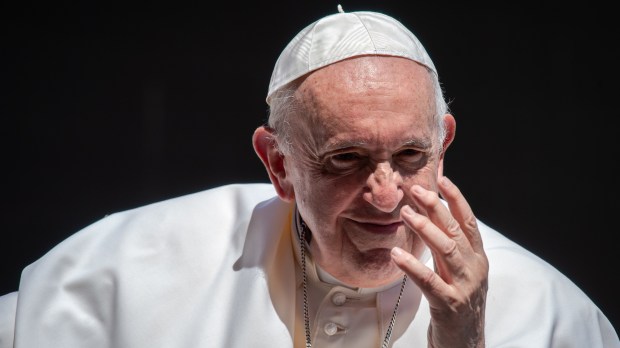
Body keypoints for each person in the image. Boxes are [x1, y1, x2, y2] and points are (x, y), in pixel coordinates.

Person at [0, 6, 618, 348]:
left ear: (444, 145)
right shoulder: (126, 269)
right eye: (346, 159)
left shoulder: (552, 315)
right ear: (278, 164)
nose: (386, 195)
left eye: (410, 155)